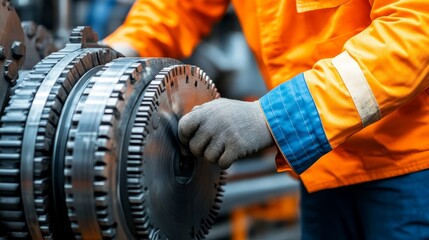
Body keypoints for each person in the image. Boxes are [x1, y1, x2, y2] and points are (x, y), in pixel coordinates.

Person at [103, 0, 429, 239]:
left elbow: (414, 34)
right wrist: (122, 50)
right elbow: (177, 7)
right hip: (322, 162)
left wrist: (272, 117)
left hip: (408, 162)